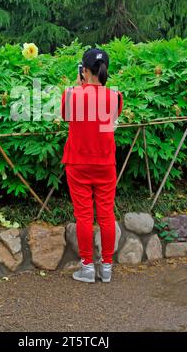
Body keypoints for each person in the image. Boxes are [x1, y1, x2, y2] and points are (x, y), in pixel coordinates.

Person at [61, 48, 123, 283]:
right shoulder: (115, 96)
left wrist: (79, 86)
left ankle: (87, 267)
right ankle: (106, 267)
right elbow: (111, 120)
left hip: (78, 163)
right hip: (106, 162)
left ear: (84, 70)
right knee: (106, 214)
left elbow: (67, 116)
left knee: (84, 215)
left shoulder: (71, 94)